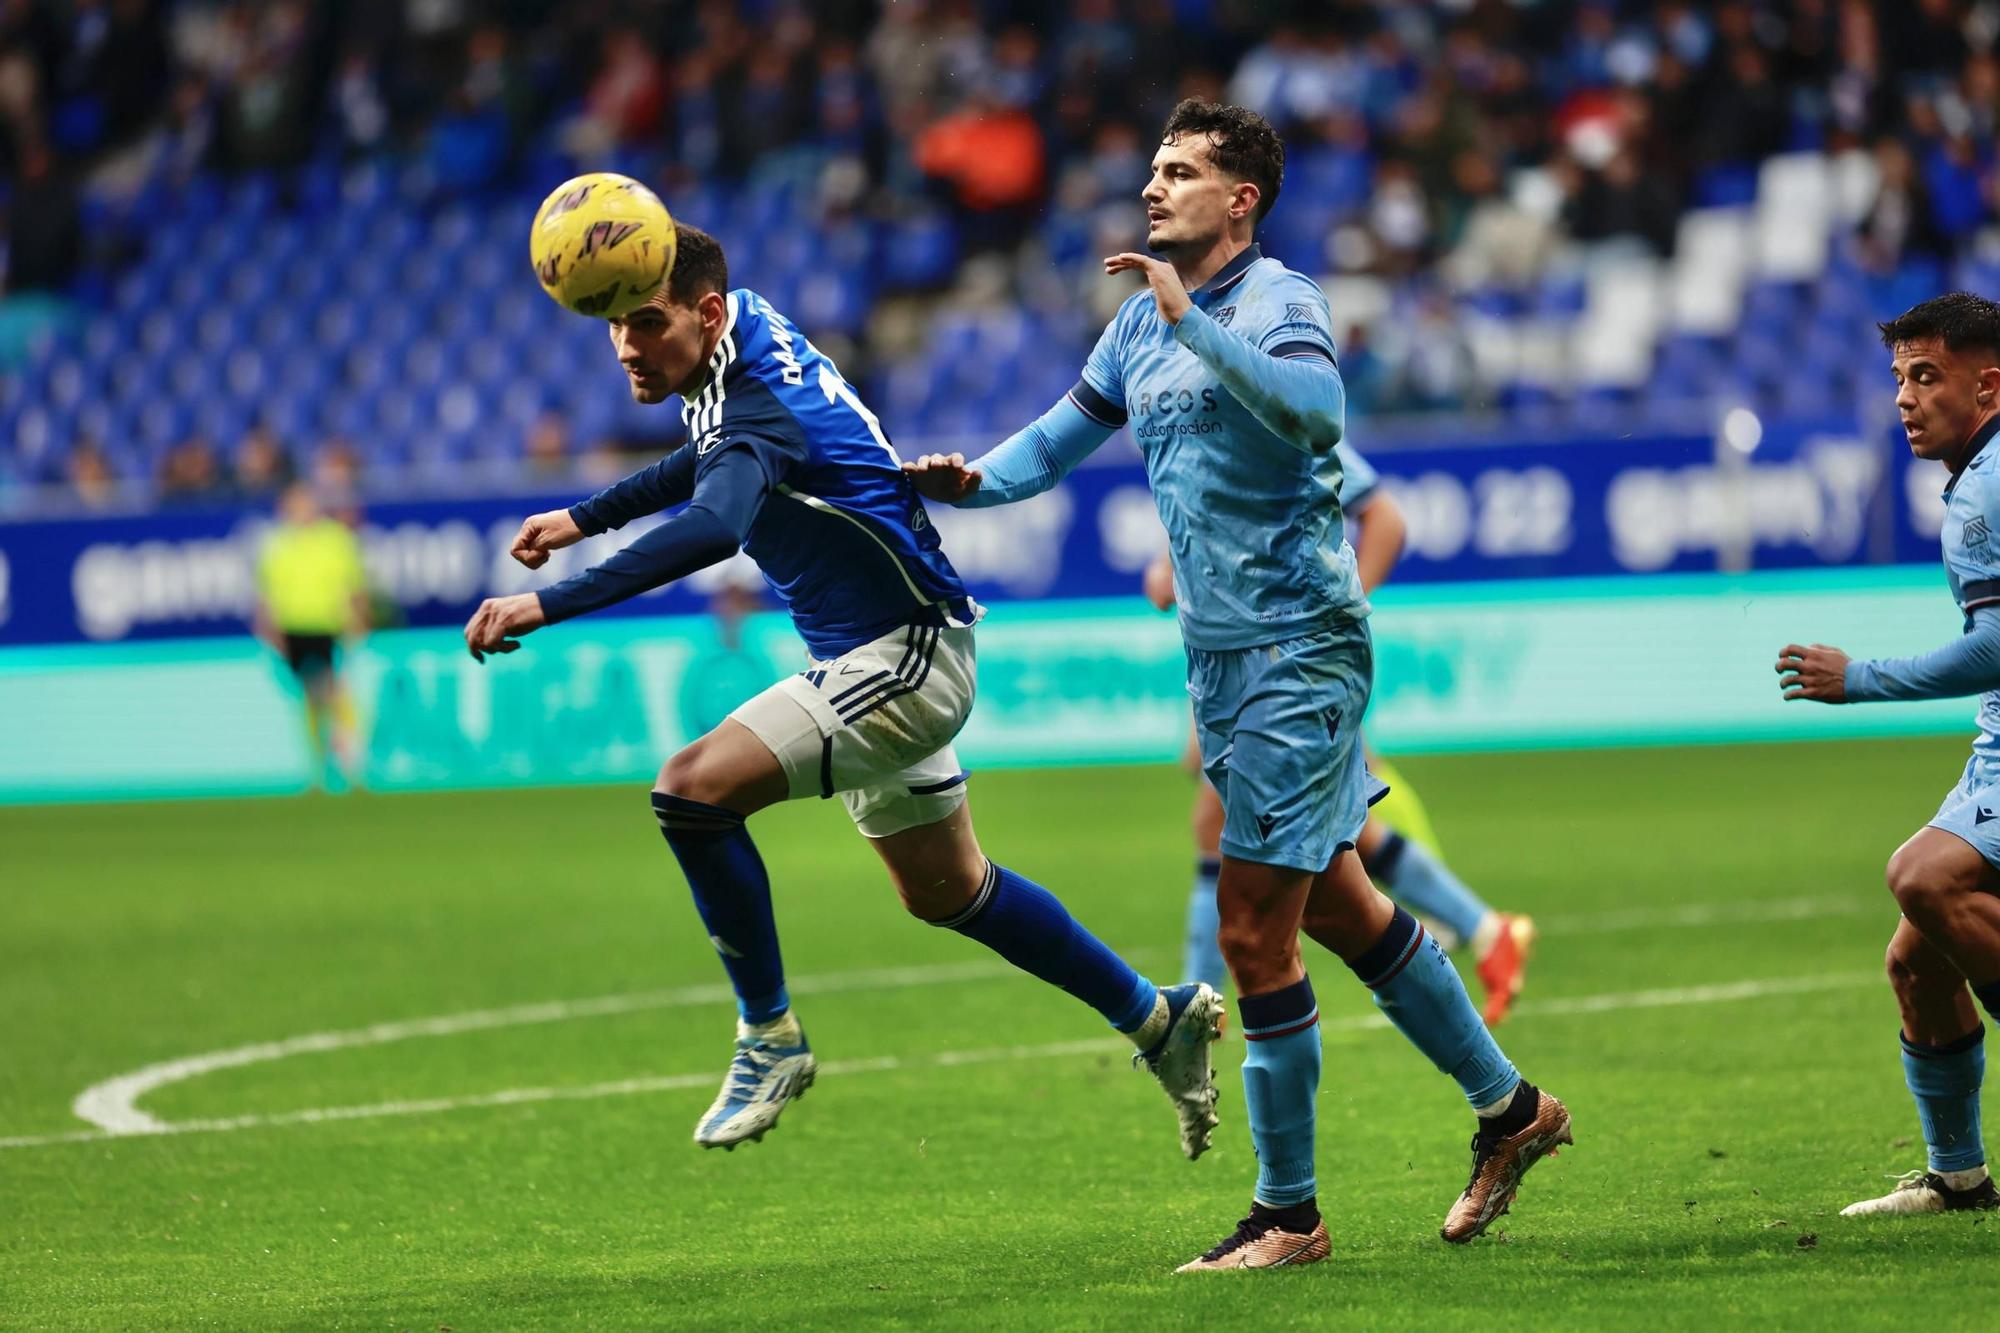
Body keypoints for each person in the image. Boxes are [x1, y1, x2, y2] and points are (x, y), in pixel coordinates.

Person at [905, 99, 1569, 1270]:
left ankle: (1286, 1214)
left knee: (1251, 927)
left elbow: (1316, 421)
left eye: (1179, 172)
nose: (1152, 188)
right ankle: (1512, 1113)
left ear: (1239, 199)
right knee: (1339, 906)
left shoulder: (1279, 304)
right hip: (1219, 659)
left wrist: (1191, 324)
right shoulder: (1131, 327)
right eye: (1151, 168)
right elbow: (1050, 443)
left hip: (1296, 647)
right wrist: (963, 482)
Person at [460, 226, 1223, 1161]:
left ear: (701, 312)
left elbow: (714, 520)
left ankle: (767, 1036)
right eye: (612, 324)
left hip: (903, 657)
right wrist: (585, 514)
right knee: (950, 893)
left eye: (643, 322)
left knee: (690, 788)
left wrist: (550, 599)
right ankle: (1160, 1019)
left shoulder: (753, 402)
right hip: (884, 648)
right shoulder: (737, 328)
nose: (626, 346)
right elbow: (703, 459)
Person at [1148, 440, 1536, 1026]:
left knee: (1232, 825)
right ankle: (1486, 929)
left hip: (1288, 668)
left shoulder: (1276, 420)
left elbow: (1386, 518)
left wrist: (1338, 616)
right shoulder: (1197, 439)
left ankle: (1199, 1001)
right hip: (1243, 664)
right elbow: (1177, 571)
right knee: (1335, 833)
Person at [1778, 291, 2000, 1216]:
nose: (1905, 399)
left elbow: (1996, 644)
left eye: (1927, 376)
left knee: (1925, 877)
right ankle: (1958, 1178)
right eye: (1900, 378)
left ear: (1988, 386)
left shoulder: (1986, 489)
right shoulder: (1980, 474)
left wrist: (1860, 678)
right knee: (1917, 962)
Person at [256, 482, 370, 788]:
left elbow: (353, 586)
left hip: (327, 626)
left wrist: (357, 621)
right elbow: (268, 595)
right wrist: (268, 630)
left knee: (333, 693)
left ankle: (350, 764)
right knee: (310, 698)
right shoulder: (277, 545)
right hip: (293, 628)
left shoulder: (335, 540)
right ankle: (318, 767)